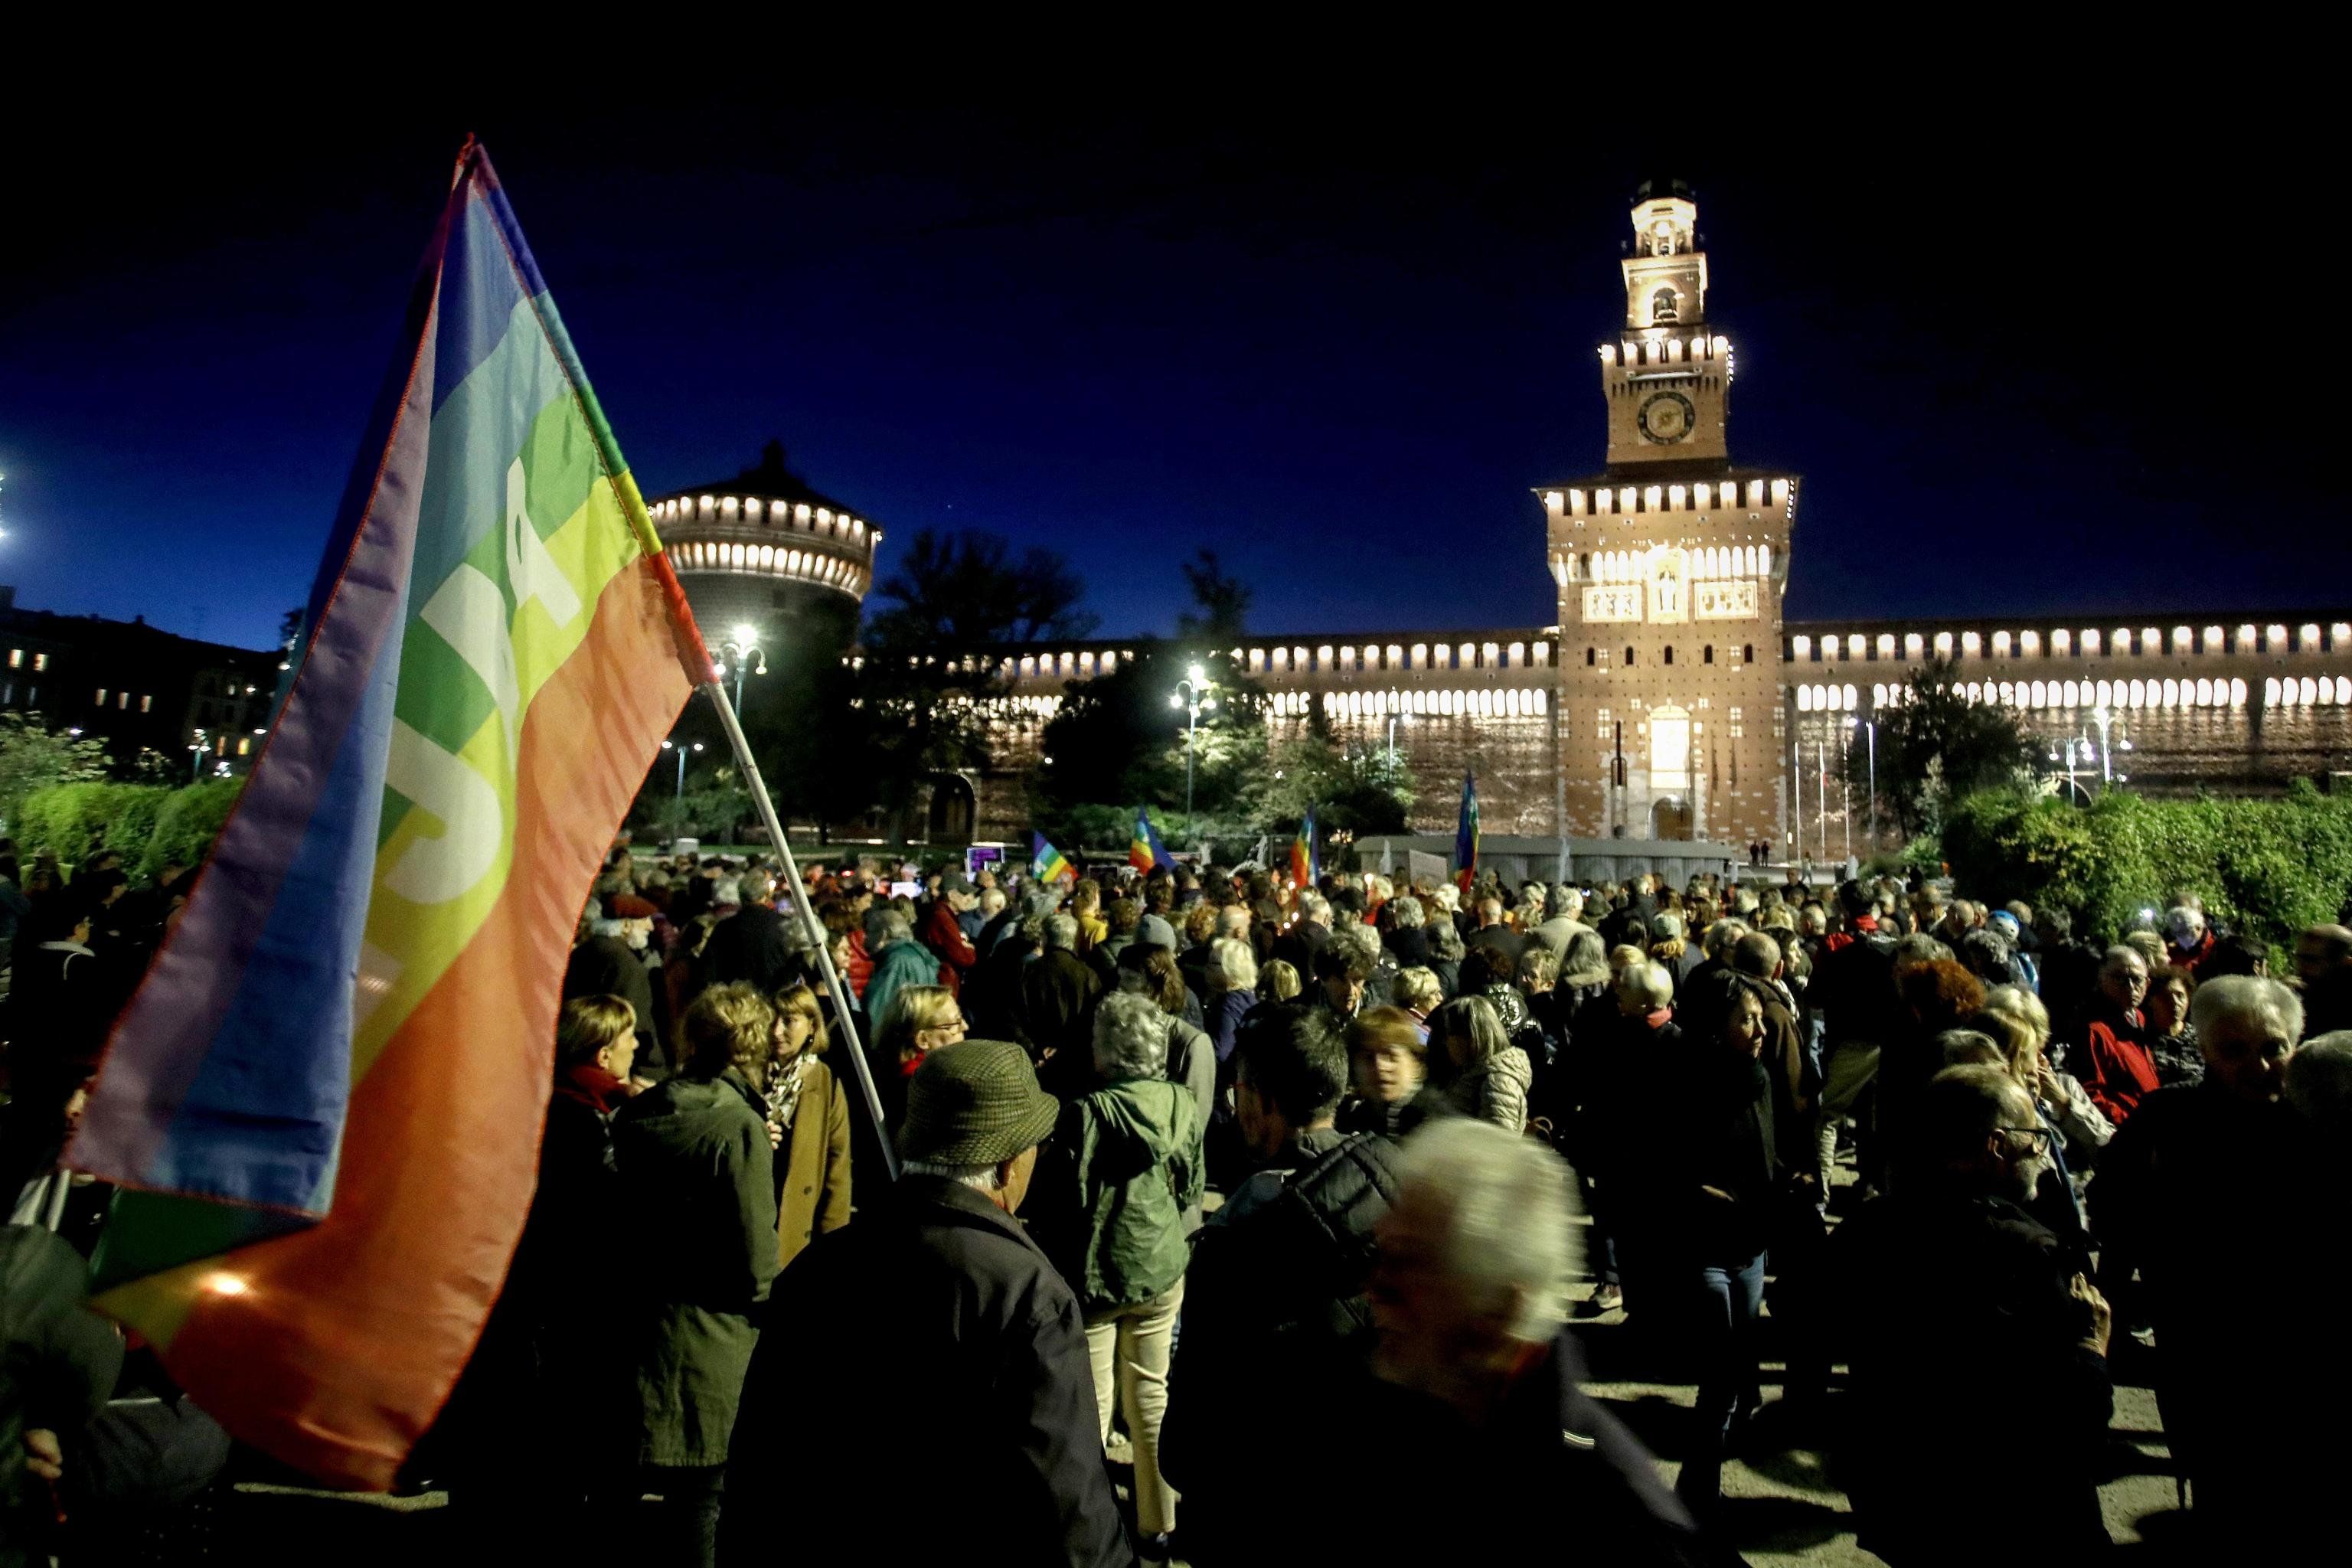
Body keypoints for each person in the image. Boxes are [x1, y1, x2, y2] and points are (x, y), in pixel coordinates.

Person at [724, 1039, 1135, 1567]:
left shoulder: (818, 1267)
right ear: (1008, 1165)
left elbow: (757, 1470)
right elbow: (1072, 1516)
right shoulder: (1026, 1295)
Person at [1318, 1120, 1720, 1564]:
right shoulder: (1394, 1402)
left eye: (1409, 1262)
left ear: (1499, 1309)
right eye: (1382, 1251)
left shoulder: (1612, 1516)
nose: (1375, 1289)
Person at [1833, 1067, 2113, 1563]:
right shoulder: (2029, 1254)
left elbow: (1806, 1316)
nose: (2041, 1152)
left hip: (1903, 1503)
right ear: (1997, 1145)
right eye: (2035, 1137)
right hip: (2012, 1516)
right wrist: (2091, 1350)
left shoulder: (1869, 1227)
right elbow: (2071, 1425)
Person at [1161, 1004, 1403, 1566]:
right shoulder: (1401, 1189)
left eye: (1239, 1092)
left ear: (1261, 1100)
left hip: (1263, 1522)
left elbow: (1189, 1445)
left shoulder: (1238, 1241)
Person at [2092, 975, 2319, 1548]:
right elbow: (2110, 1204)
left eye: (2273, 1047)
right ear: (2206, 1051)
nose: (2259, 1065)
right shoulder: (2168, 1116)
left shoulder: (2317, 1121)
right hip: (2202, 1348)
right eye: (2235, 1050)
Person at [610, 983, 781, 1566]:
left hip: (633, 1332)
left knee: (616, 1509)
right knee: (700, 1514)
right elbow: (756, 1259)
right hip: (713, 1344)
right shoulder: (738, 1127)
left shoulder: (637, 1114)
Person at [1047, 993, 1204, 1557]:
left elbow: (1070, 1200)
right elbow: (1191, 1185)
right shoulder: (1181, 1102)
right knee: (1151, 1394)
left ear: (1105, 1050)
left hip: (1097, 1273)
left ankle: (1093, 1527)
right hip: (1161, 1265)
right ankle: (1157, 1522)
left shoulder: (1086, 1114)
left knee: (1090, 1405)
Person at [1621, 971, 1781, 1518]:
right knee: (1721, 1374)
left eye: (1759, 1018)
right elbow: (1655, 1161)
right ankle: (1697, 1494)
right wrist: (1697, 1191)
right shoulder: (1680, 1081)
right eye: (1747, 1019)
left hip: (1750, 1244)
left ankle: (1700, 1482)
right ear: (1716, 1026)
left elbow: (1764, 1153)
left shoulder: (1757, 1077)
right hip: (1703, 1246)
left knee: (1736, 1370)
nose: (1760, 1029)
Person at [764, 983, 851, 1269]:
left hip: (796, 1232)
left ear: (812, 1026)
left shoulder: (826, 1084)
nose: (777, 1031)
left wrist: (833, 1248)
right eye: (772, 1020)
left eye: (789, 1021)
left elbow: (838, 1173)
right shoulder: (751, 1075)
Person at [2073, 945, 2158, 1126]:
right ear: (2100, 979)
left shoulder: (2138, 1017)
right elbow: (2091, 1094)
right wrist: (2130, 1124)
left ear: (2147, 984)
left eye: (2137, 979)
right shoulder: (2093, 1030)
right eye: (2119, 978)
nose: (2130, 986)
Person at [1338, 1004, 1453, 1137]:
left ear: (1415, 1062)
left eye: (1390, 1056)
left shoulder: (1436, 1122)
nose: (1380, 1066)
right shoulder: (1349, 1120)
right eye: (1369, 1057)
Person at [1427, 993, 1532, 1134]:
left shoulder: (1498, 1082)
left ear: (1470, 1037)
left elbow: (1498, 1142)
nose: (1446, 1042)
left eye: (1448, 1034)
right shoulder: (1473, 1072)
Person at [701, 868, 796, 995]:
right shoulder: (785, 925)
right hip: (775, 996)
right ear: (767, 894)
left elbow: (708, 970)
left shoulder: (724, 928)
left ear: (740, 895)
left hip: (737, 999)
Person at [861, 910, 942, 1029]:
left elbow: (877, 1011)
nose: (865, 938)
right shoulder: (915, 955)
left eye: (869, 932)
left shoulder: (897, 962)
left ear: (883, 935)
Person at [2142, 963, 2203, 1087]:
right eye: (2165, 997)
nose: (2175, 1002)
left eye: (2180, 996)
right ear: (2151, 1001)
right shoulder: (2142, 1041)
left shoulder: (2202, 1037)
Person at [1204, 935, 1258, 1064]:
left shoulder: (1228, 1004)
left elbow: (1221, 1053)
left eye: (1213, 963)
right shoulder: (1247, 997)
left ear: (1229, 969)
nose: (1207, 967)